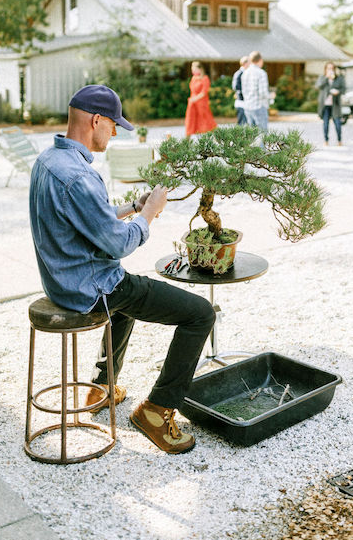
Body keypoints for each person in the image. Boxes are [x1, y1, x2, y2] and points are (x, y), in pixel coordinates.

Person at [29, 84, 215, 454]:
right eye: (113, 125)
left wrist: (133, 205)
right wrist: (150, 214)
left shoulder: (48, 161)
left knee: (126, 299)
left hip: (61, 283)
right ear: (96, 120)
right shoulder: (81, 176)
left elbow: (85, 218)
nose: (114, 133)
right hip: (91, 290)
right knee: (199, 313)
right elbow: (117, 244)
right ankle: (157, 410)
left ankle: (102, 385)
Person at [316, 61, 346, 146]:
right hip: (325, 105)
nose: (330, 70)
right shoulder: (322, 78)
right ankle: (326, 140)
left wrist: (338, 92)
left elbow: (343, 89)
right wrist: (327, 78)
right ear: (325, 69)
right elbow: (318, 86)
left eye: (332, 68)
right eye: (329, 68)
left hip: (335, 104)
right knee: (325, 124)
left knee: (337, 124)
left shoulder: (339, 78)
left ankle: (339, 141)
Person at [184, 61, 217, 137]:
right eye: (192, 69)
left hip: (202, 103)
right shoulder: (193, 78)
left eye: (194, 69)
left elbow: (203, 92)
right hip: (192, 103)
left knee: (207, 121)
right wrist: (192, 100)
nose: (193, 71)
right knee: (190, 122)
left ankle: (217, 137)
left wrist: (194, 99)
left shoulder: (205, 78)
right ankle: (187, 142)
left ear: (200, 69)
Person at [241, 50, 270, 130]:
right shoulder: (261, 73)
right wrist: (271, 96)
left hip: (248, 107)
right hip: (259, 107)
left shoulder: (245, 73)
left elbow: (244, 91)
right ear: (260, 60)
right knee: (263, 134)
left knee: (251, 136)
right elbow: (263, 93)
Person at [232, 56, 250, 125]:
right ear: (245, 63)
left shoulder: (246, 73)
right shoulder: (239, 73)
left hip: (246, 101)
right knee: (241, 122)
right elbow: (236, 87)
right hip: (242, 101)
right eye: (249, 62)